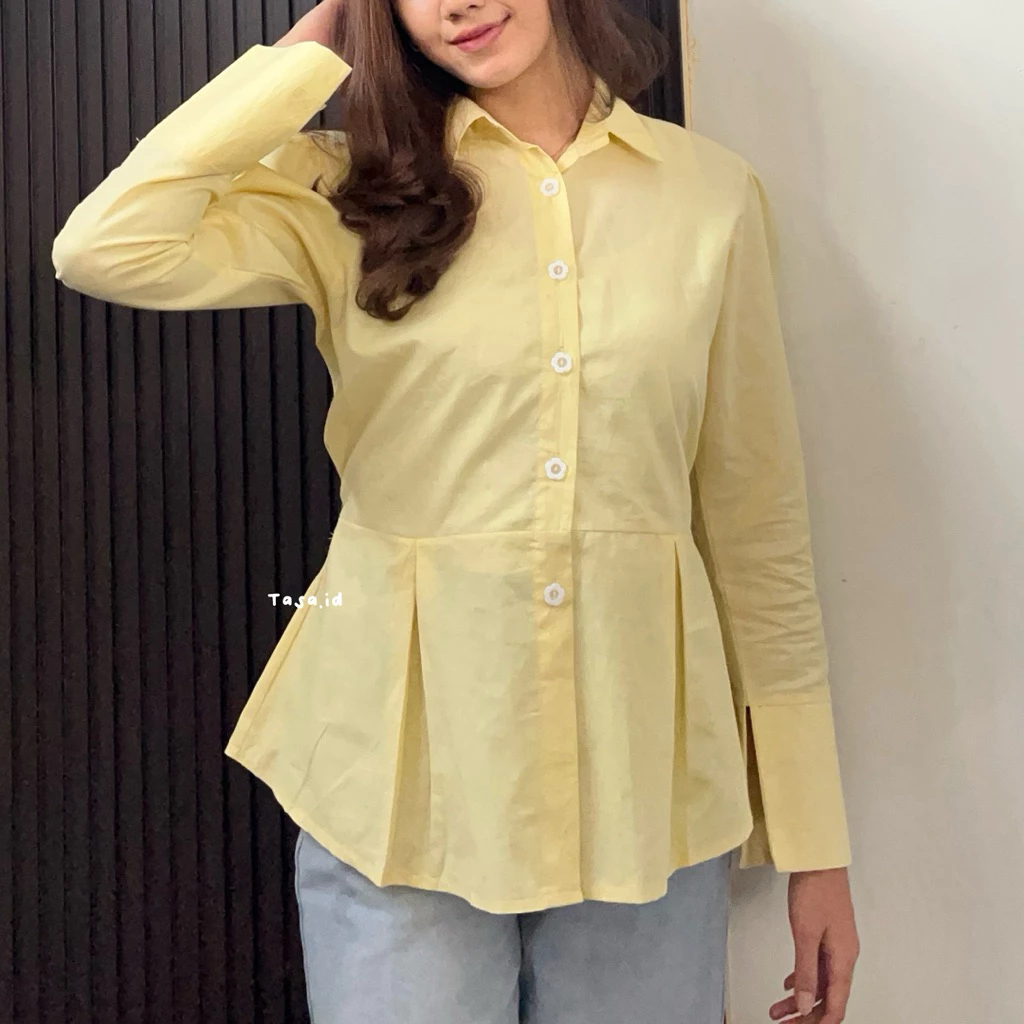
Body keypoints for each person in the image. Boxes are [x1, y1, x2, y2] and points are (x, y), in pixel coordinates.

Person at [51, 0, 860, 1020]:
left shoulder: (708, 195)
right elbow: (105, 245)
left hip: (643, 786)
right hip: (397, 788)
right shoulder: (341, 187)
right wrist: (319, 45)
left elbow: (756, 525)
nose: (455, 4)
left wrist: (814, 846)